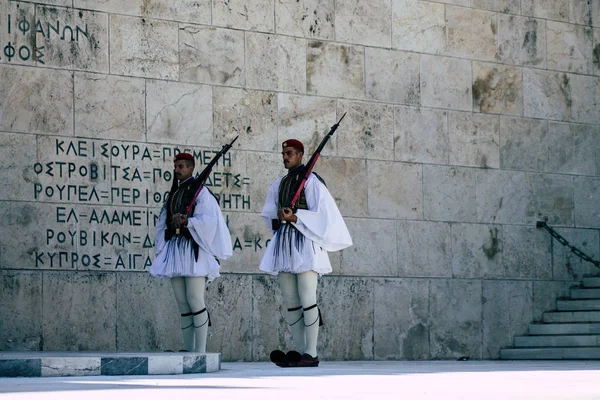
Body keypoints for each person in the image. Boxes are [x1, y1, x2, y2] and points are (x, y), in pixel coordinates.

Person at [259, 139, 352, 367]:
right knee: (291, 300)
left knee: (308, 299)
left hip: (306, 243)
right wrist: (279, 217)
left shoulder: (311, 182)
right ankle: (300, 351)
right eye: (283, 153)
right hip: (285, 245)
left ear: (300, 155)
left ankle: (310, 352)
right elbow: (270, 214)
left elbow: (322, 214)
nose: (285, 156)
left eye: (289, 153)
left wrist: (295, 217)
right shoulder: (279, 184)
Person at [150, 152, 232, 353]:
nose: (177, 170)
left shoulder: (201, 193)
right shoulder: (175, 194)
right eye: (176, 166)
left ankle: (200, 351)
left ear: (190, 168)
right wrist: (162, 247)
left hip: (193, 252)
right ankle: (188, 349)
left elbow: (210, 221)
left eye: (181, 167)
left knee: (195, 300)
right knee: (183, 304)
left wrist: (189, 222)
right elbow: (163, 222)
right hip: (176, 251)